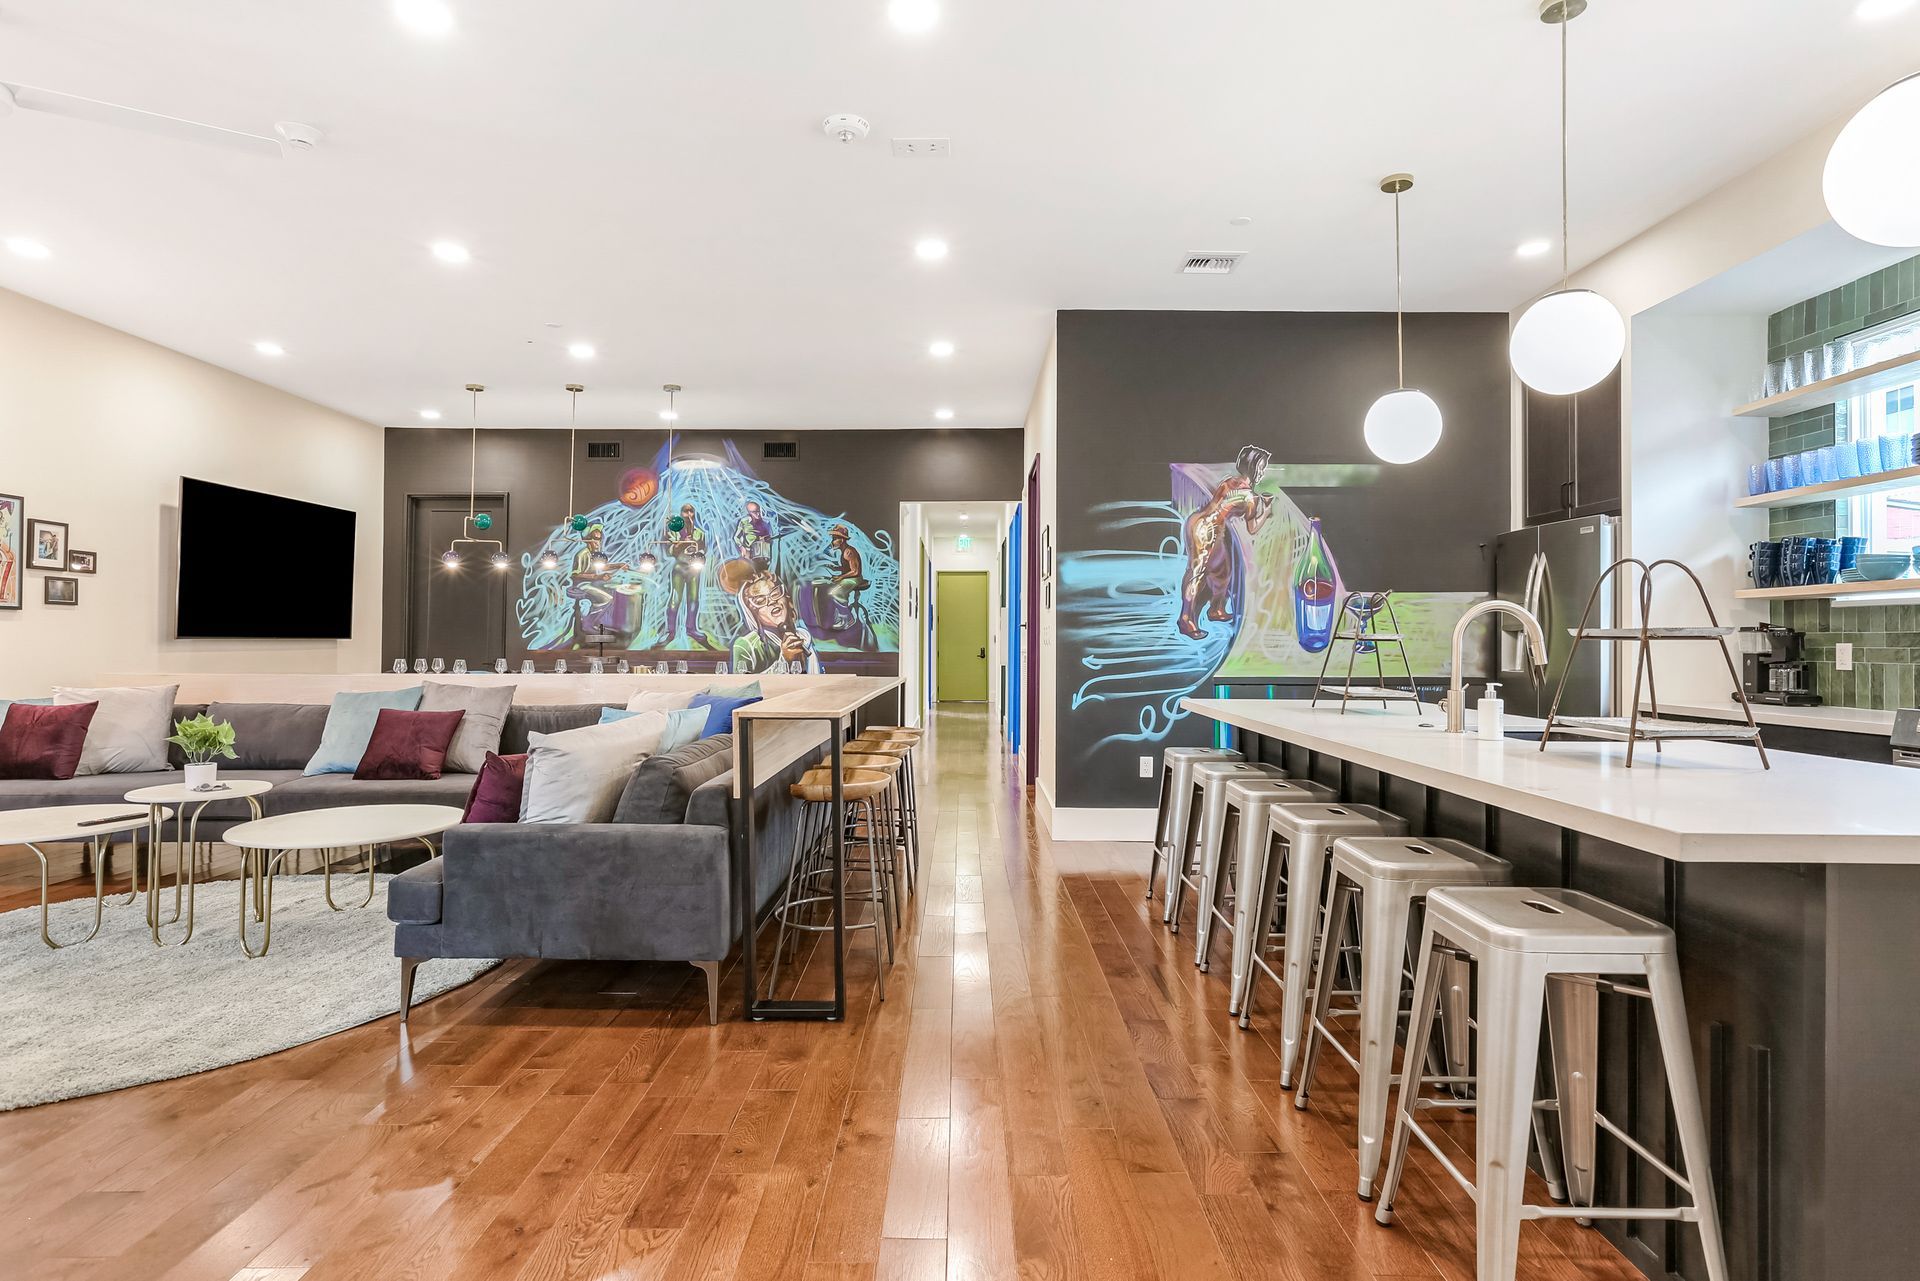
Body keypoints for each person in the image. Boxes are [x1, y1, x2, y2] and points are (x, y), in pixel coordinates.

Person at [1178, 444, 1273, 639]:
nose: (1263, 473)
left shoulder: (1229, 481)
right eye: (1261, 468)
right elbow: (1252, 528)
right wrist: (1267, 511)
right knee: (1197, 573)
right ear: (1253, 468)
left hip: (1198, 522)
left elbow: (1221, 504)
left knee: (1223, 572)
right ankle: (1185, 619)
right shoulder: (1251, 497)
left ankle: (1216, 609)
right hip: (1208, 530)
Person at [731, 565, 818, 674]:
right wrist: (784, 660)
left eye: (775, 594)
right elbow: (743, 686)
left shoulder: (803, 637)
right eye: (761, 601)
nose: (772, 602)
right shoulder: (746, 645)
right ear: (752, 612)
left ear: (786, 598)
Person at [565, 524, 627, 635]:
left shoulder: (593, 555)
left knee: (612, 591)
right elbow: (575, 575)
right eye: (595, 540)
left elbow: (602, 567)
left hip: (591, 584)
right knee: (606, 598)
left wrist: (618, 565)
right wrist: (597, 577)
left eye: (599, 540)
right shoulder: (582, 555)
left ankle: (600, 623)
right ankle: (588, 623)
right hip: (581, 585)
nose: (598, 543)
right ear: (588, 540)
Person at [665, 503, 713, 647]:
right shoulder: (674, 531)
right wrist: (680, 543)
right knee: (675, 598)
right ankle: (670, 631)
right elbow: (670, 551)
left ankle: (691, 629)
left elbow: (703, 550)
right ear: (681, 513)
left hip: (693, 568)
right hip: (680, 567)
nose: (689, 514)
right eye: (685, 511)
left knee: (693, 599)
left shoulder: (699, 532)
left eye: (691, 511)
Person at [735, 500, 774, 568]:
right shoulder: (744, 522)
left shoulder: (765, 522)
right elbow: (736, 537)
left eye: (758, 511)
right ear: (749, 513)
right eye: (754, 512)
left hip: (762, 553)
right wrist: (741, 547)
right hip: (748, 552)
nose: (758, 514)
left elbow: (771, 537)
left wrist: (766, 538)